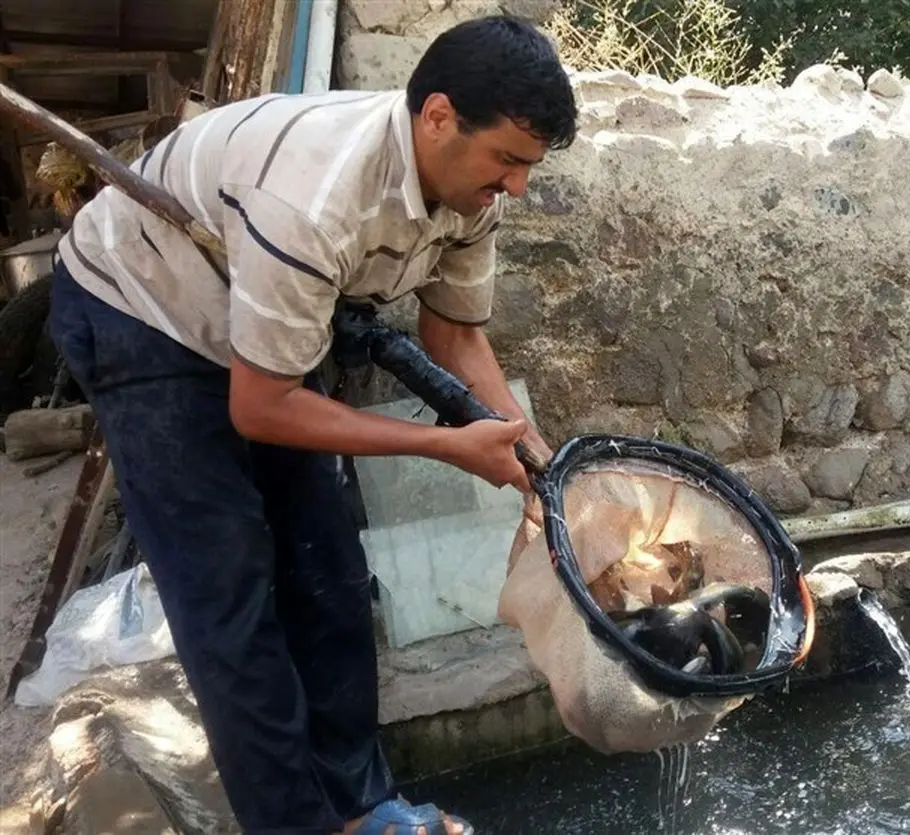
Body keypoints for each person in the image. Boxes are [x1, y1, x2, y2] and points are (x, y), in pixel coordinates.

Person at [47, 15, 577, 835]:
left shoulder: (471, 192)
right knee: (228, 586)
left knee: (327, 569)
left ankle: (363, 806)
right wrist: (445, 445)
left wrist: (538, 461)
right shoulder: (318, 195)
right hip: (140, 305)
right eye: (507, 160)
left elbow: (455, 334)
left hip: (251, 317)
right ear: (437, 117)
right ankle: (297, 824)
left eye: (528, 167)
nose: (516, 187)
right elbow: (260, 407)